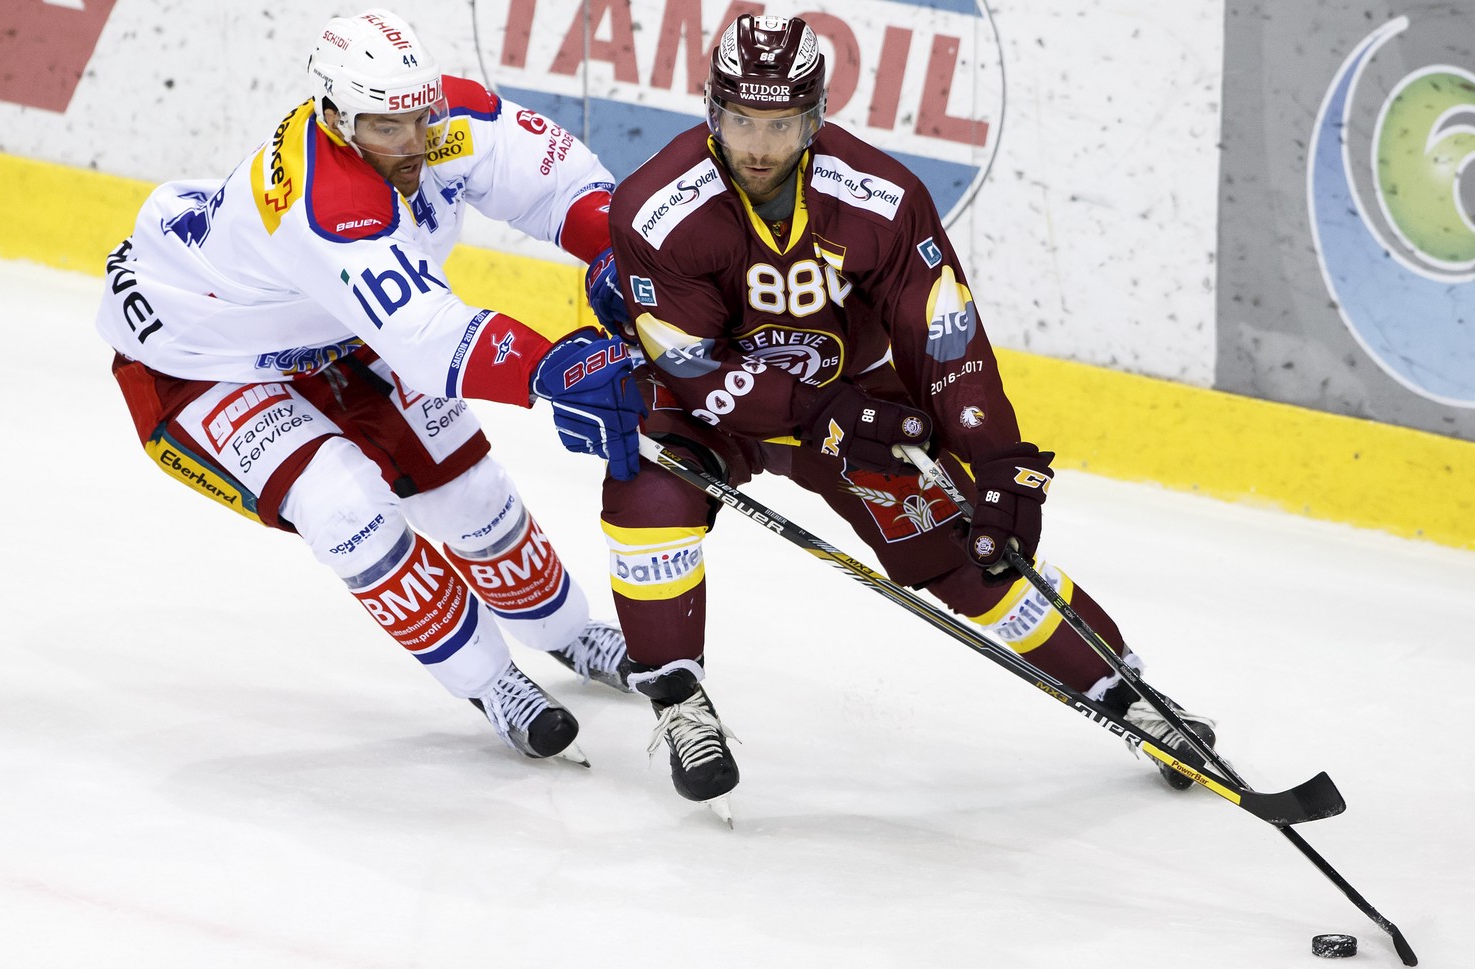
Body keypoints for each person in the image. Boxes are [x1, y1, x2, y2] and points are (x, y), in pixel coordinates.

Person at [603, 14, 1216, 809]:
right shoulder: (655, 206)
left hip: (857, 407)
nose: (759, 145)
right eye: (743, 121)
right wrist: (824, 411)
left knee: (975, 550)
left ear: (815, 118)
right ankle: (681, 699)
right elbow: (693, 366)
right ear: (712, 114)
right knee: (651, 484)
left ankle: (1130, 696)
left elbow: (944, 338)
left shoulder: (882, 199)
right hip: (727, 409)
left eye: (781, 123)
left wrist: (996, 459)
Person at [95, 8, 647, 764]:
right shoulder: (326, 204)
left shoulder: (436, 117)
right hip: (199, 362)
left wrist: (612, 251)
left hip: (336, 329)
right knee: (346, 506)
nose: (414, 144)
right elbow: (425, 336)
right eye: (387, 129)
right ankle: (489, 681)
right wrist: (552, 367)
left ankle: (566, 631)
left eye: (420, 117)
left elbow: (550, 180)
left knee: (471, 490)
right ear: (332, 116)